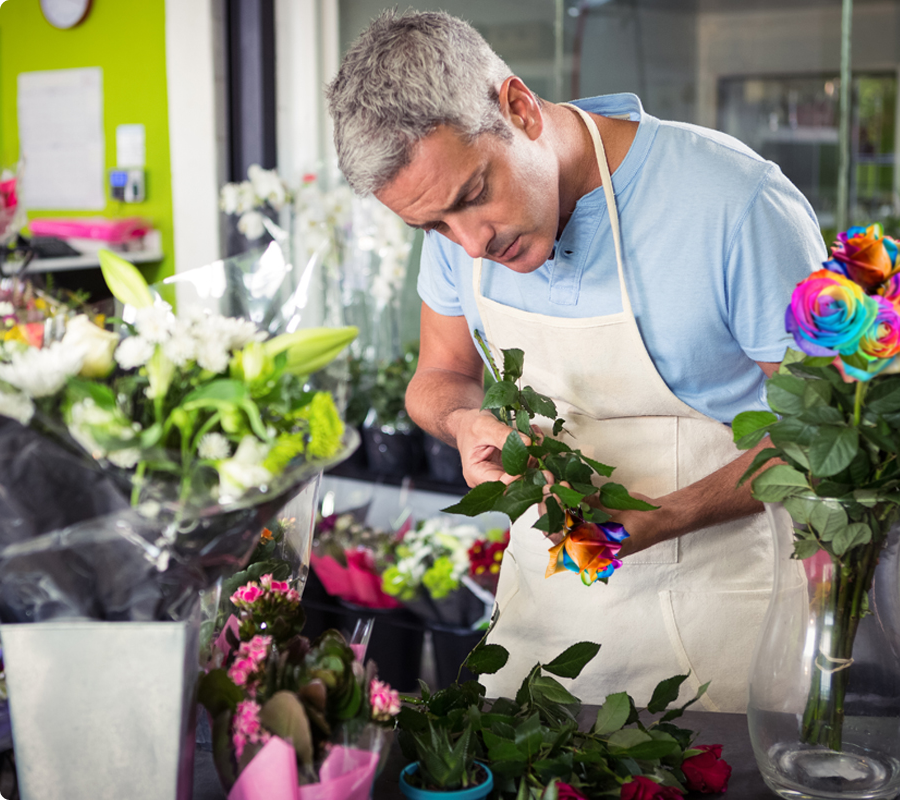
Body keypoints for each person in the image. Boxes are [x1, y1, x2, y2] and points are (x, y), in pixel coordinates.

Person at [327, 9, 826, 711]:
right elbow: (436, 380)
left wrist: (666, 517)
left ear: (520, 108)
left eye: (474, 197)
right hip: (541, 633)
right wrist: (465, 423)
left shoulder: (735, 203)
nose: (469, 244)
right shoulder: (456, 227)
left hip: (725, 629)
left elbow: (823, 437)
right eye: (434, 225)